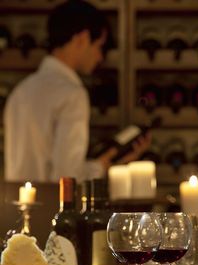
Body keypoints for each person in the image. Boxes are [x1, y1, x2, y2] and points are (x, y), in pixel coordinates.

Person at [4, 0, 150, 183]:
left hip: (17, 208)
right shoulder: (72, 94)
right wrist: (102, 166)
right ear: (82, 38)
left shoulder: (21, 91)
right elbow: (66, 176)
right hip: (51, 209)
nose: (100, 57)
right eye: (99, 46)